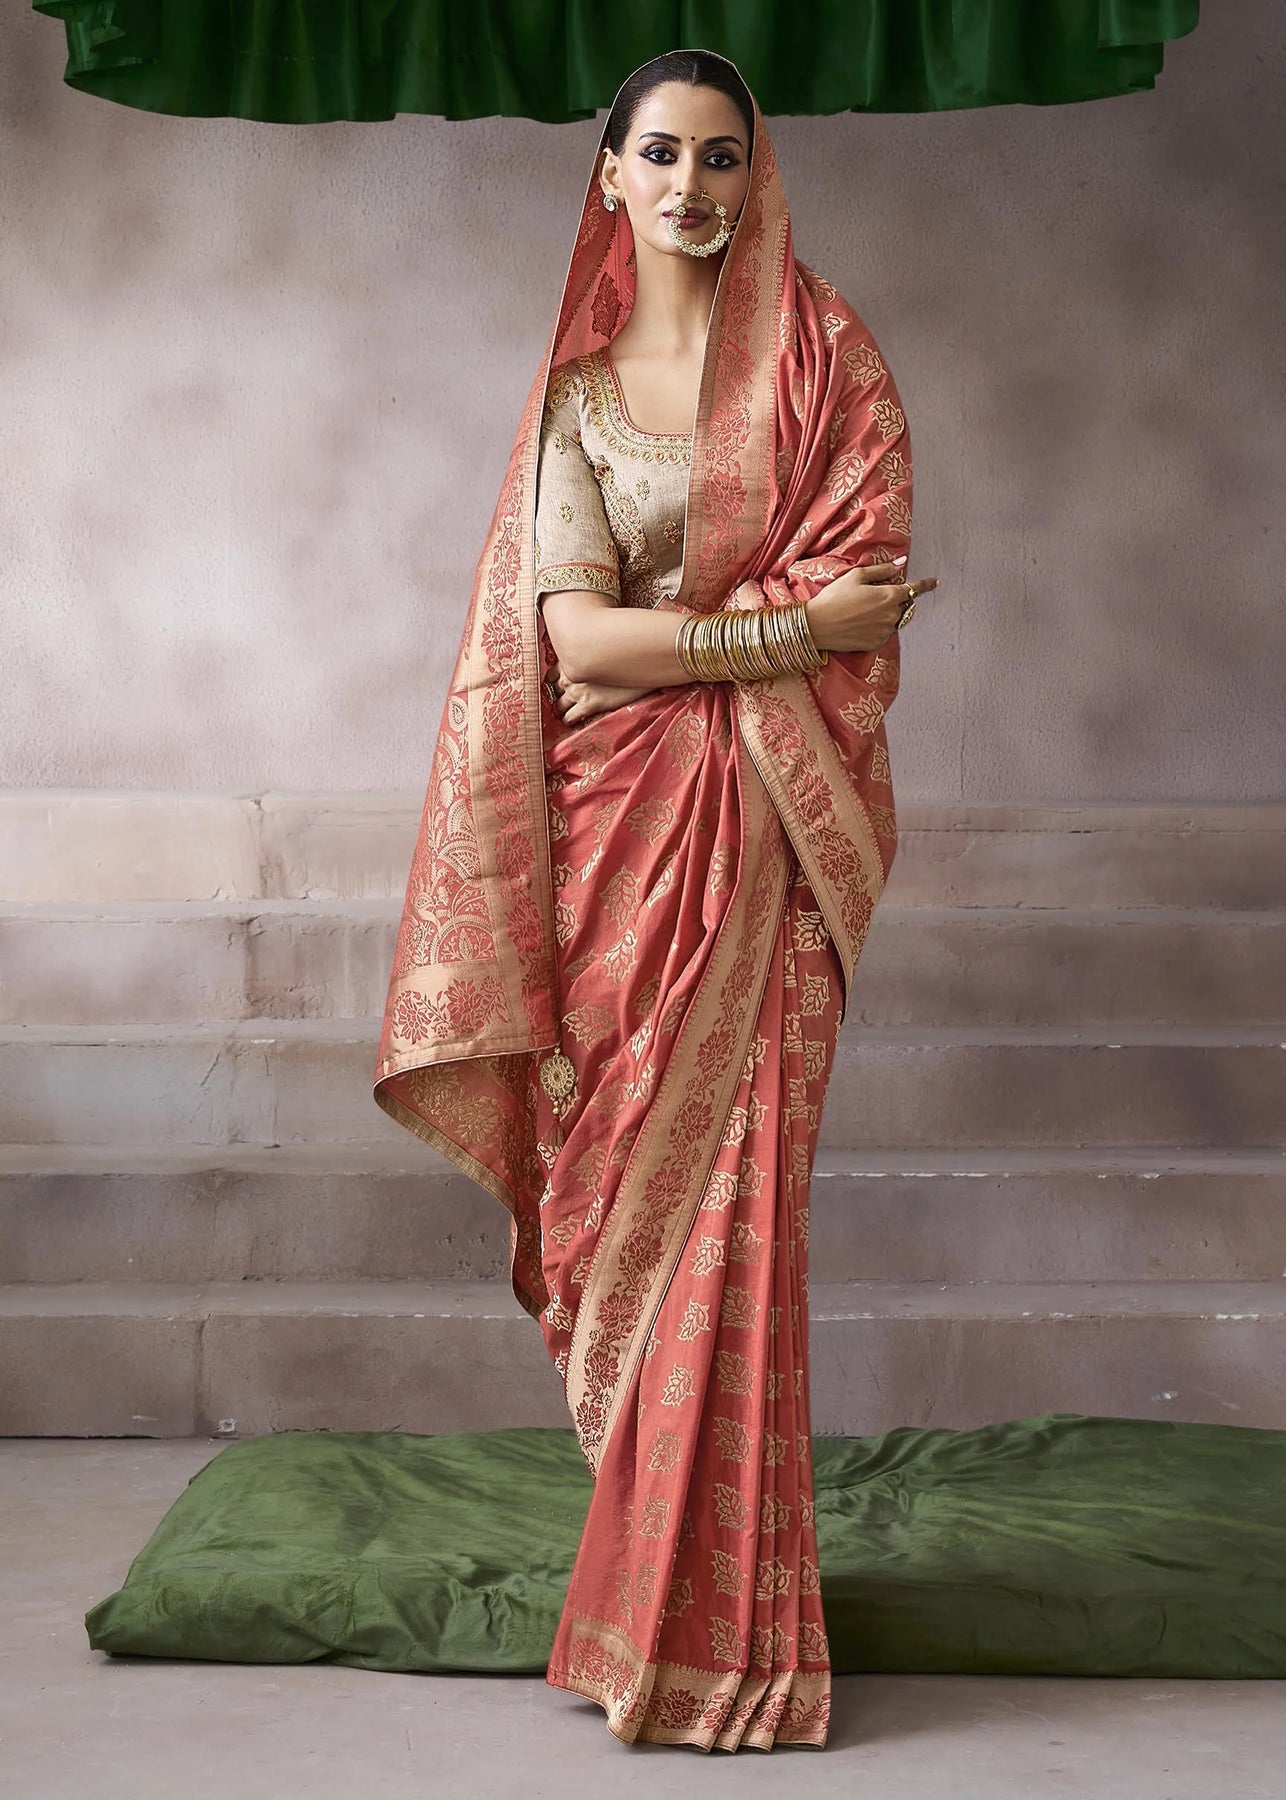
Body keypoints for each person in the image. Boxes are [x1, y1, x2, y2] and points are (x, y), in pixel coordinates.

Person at [374, 46, 938, 1752]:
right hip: (616, 855)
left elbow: (865, 588)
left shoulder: (826, 365)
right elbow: (572, 647)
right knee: (630, 1220)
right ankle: (648, 1615)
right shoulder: (574, 401)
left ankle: (727, 1643)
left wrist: (708, 645)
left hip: (768, 858)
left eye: (721, 158)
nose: (691, 187)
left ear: (755, 178)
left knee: (743, 1231)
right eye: (662, 156)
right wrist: (781, 631)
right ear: (608, 176)